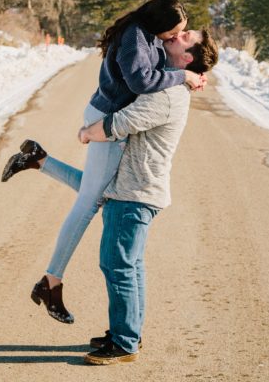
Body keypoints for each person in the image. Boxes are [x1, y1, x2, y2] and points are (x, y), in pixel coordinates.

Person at [0, 0, 206, 323]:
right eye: (173, 32)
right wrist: (183, 76)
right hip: (106, 118)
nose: (172, 38)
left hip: (105, 111)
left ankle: (37, 160)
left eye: (179, 35)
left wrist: (190, 73)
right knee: (89, 203)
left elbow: (159, 68)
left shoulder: (145, 34)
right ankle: (51, 281)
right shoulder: (136, 40)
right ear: (159, 24)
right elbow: (142, 81)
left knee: (97, 191)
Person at [80, 28, 220, 364]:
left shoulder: (168, 94)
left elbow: (121, 123)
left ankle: (124, 342)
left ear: (187, 57)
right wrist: (188, 74)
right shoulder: (171, 81)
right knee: (131, 265)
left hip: (135, 192)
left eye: (186, 37)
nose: (177, 34)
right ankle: (127, 332)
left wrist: (87, 133)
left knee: (117, 265)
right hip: (136, 190)